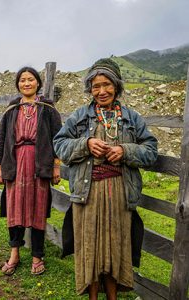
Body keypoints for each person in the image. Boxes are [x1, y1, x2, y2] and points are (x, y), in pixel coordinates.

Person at [53, 58, 158, 299]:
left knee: (114, 247)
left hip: (119, 192)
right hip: (87, 193)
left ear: (117, 86)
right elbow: (59, 145)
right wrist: (86, 143)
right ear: (89, 89)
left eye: (107, 85)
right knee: (89, 247)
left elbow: (150, 150)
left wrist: (126, 151)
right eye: (95, 86)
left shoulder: (131, 118)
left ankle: (112, 297)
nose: (101, 91)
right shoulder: (80, 116)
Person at [0, 66, 62, 276]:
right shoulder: (11, 110)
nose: (26, 83)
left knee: (38, 209)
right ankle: (15, 253)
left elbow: (58, 139)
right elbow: (1, 138)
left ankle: (37, 256)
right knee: (14, 210)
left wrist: (56, 166)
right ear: (18, 85)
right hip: (14, 163)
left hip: (39, 164)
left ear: (38, 83)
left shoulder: (48, 109)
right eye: (22, 80)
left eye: (30, 79)